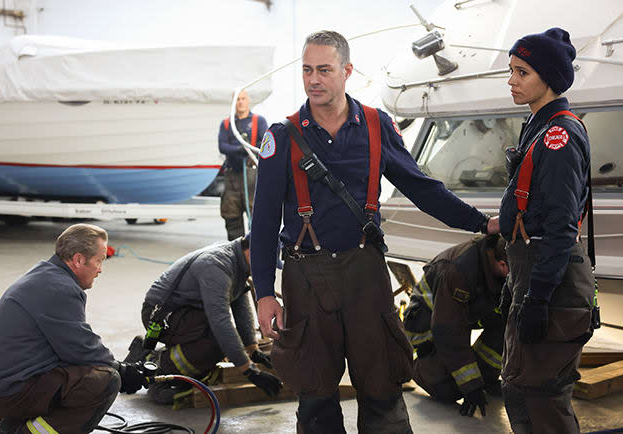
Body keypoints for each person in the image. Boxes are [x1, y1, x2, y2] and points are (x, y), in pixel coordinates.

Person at [250, 30, 499, 434]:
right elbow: (262, 224)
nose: (314, 80)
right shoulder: (281, 136)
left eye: (325, 70)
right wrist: (263, 293)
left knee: (382, 385)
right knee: (314, 394)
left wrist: (480, 222)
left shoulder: (375, 125)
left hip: (366, 273)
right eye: (307, 70)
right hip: (305, 278)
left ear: (347, 71)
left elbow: (421, 187)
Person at [499, 28, 596, 433]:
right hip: (533, 272)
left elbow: (559, 226)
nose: (512, 80)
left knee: (543, 399)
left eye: (522, 72)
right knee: (520, 388)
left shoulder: (558, 136)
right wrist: (517, 287)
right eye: (511, 71)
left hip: (550, 280)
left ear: (549, 78)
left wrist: (537, 297)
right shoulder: (539, 127)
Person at [0, 224, 145, 434]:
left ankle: (10, 428)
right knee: (106, 381)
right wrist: (122, 371)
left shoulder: (46, 274)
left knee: (83, 371)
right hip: (7, 391)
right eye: (99, 261)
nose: (100, 269)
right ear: (79, 260)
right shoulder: (60, 289)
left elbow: (72, 347)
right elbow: (82, 349)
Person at [125, 234, 282, 405]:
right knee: (217, 342)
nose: (268, 271)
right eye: (267, 264)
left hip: (187, 315)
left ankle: (149, 354)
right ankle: (157, 370)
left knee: (221, 342)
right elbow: (221, 323)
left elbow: (240, 308)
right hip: (161, 317)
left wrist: (253, 350)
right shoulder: (217, 266)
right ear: (253, 253)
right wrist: (249, 371)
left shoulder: (237, 261)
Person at [402, 234, 509, 418]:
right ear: (502, 265)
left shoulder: (498, 263)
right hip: (428, 330)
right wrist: (471, 385)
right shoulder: (460, 270)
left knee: (506, 320)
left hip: (461, 314)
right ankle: (417, 368)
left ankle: (488, 379)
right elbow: (449, 330)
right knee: (447, 391)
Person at [218, 90, 269, 241]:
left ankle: (256, 254)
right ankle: (236, 254)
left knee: (257, 217)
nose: (240, 102)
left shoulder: (259, 122)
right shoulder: (227, 124)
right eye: (237, 99)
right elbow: (222, 146)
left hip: (252, 177)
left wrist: (247, 149)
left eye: (243, 98)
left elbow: (265, 144)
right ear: (233, 102)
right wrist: (238, 149)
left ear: (248, 101)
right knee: (231, 216)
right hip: (232, 177)